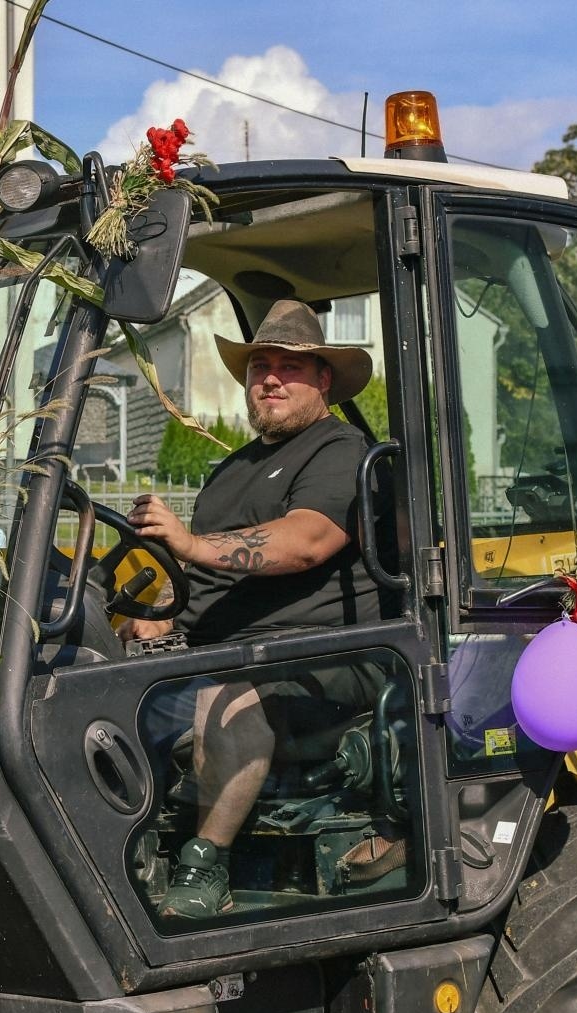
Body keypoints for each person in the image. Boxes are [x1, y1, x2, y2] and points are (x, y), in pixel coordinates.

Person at [122, 298, 384, 920]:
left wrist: (187, 543)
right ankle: (116, 851)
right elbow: (198, 570)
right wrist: (160, 606)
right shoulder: (231, 469)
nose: (268, 377)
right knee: (82, 680)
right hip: (219, 649)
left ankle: (205, 864)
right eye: (258, 365)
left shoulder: (339, 450)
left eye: (289, 367)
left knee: (228, 692)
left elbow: (306, 542)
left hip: (323, 657)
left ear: (323, 379)